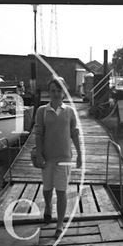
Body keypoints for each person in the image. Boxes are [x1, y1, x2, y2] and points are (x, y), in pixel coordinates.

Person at [34, 78, 82, 237]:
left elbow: (74, 133)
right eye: (53, 90)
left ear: (63, 92)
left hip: (64, 158)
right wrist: (39, 154)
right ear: (49, 92)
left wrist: (80, 154)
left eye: (59, 90)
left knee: (61, 192)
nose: (56, 94)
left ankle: (59, 225)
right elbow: (39, 134)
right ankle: (48, 206)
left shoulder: (69, 111)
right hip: (47, 158)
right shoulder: (42, 110)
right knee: (47, 189)